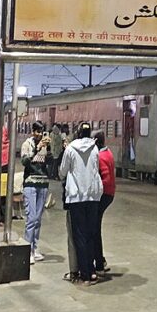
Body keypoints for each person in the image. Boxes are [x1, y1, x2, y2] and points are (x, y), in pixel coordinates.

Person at [58, 121, 103, 286]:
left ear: (77, 133)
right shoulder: (95, 149)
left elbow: (62, 172)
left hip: (76, 197)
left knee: (80, 235)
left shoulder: (70, 149)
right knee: (91, 233)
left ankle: (84, 273)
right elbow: (96, 168)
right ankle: (91, 272)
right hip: (93, 196)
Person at [20, 121, 51, 264]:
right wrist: (37, 148)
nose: (39, 134)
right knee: (31, 218)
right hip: (30, 184)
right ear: (32, 131)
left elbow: (50, 162)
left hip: (43, 184)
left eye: (41, 132)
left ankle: (35, 248)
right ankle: (27, 250)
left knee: (38, 219)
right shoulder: (27, 144)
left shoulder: (45, 146)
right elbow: (25, 161)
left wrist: (50, 148)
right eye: (37, 132)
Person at [93, 131, 115, 274]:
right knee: (95, 228)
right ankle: (100, 260)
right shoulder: (108, 153)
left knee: (94, 229)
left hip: (103, 194)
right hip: (110, 193)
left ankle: (99, 263)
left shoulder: (100, 157)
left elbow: (105, 178)